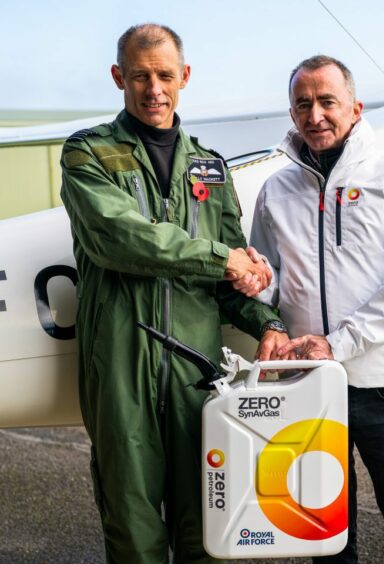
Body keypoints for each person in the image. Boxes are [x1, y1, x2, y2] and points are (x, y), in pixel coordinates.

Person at [60, 23, 289, 563]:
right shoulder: (88, 153)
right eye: (140, 76)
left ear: (184, 77)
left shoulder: (208, 164)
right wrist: (220, 257)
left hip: (197, 374)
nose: (154, 89)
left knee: (209, 525)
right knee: (133, 527)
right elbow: (120, 239)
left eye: (165, 75)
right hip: (120, 368)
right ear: (119, 77)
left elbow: (230, 275)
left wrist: (267, 322)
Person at [250, 55, 384, 563]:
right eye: (303, 104)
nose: (315, 116)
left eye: (327, 102)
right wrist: (257, 289)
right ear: (291, 113)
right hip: (309, 381)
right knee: (328, 537)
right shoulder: (275, 190)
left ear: (354, 108)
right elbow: (268, 282)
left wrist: (340, 343)